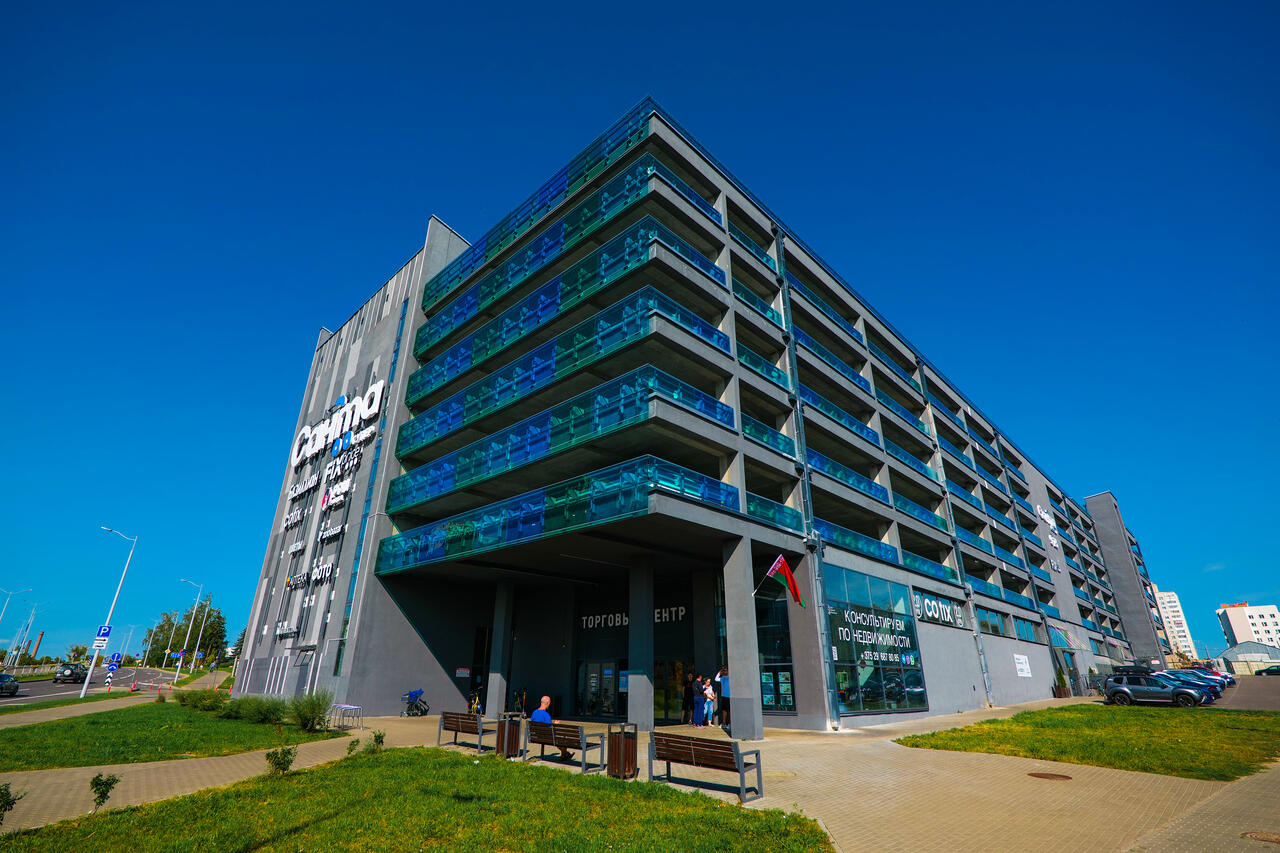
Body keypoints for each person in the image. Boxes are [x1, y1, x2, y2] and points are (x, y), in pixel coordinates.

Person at [531, 695, 572, 761]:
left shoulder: (534, 712)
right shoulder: (546, 714)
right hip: (547, 737)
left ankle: (565, 755)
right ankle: (564, 755)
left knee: (557, 739)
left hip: (536, 736)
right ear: (547, 703)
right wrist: (555, 724)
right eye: (549, 703)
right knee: (564, 739)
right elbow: (550, 729)